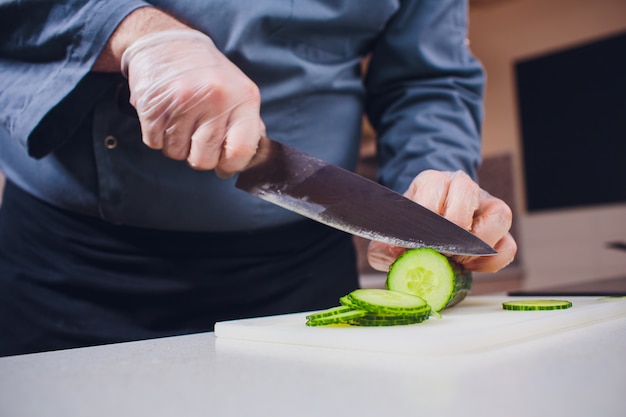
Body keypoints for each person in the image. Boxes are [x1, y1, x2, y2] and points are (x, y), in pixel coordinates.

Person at [0, 0, 517, 357]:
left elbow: (427, 77)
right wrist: (133, 32)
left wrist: (432, 175)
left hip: (302, 273)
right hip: (70, 268)